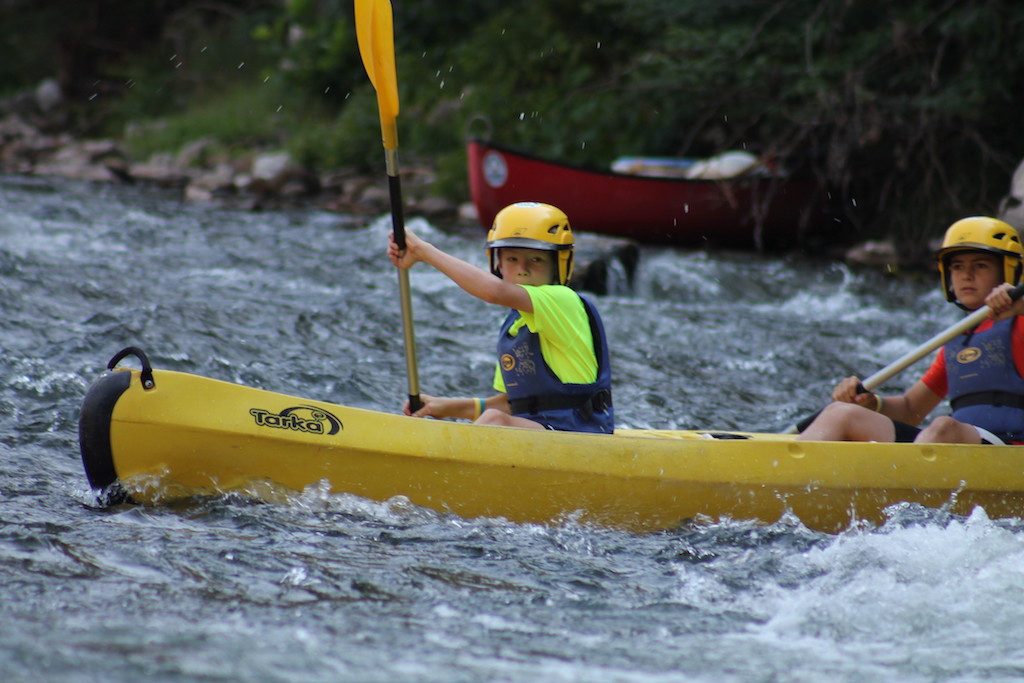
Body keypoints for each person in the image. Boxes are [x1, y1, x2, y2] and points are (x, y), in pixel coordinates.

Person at [386, 201, 614, 433]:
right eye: (512, 259)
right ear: (499, 264)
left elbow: (493, 291)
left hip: (581, 435)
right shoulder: (514, 326)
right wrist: (443, 406)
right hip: (543, 435)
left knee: (495, 421)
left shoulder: (563, 300)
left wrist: (423, 251)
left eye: (536, 259)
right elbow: (510, 405)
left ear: (557, 266)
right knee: (495, 417)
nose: (522, 268)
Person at [797, 216, 1024, 445]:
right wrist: (872, 404)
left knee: (944, 426)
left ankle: (903, 477)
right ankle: (785, 468)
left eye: (981, 265)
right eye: (957, 266)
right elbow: (910, 410)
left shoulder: (1020, 323)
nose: (967, 275)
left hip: (1009, 451)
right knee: (841, 413)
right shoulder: (956, 342)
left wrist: (1020, 304)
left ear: (1008, 271)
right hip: (950, 448)